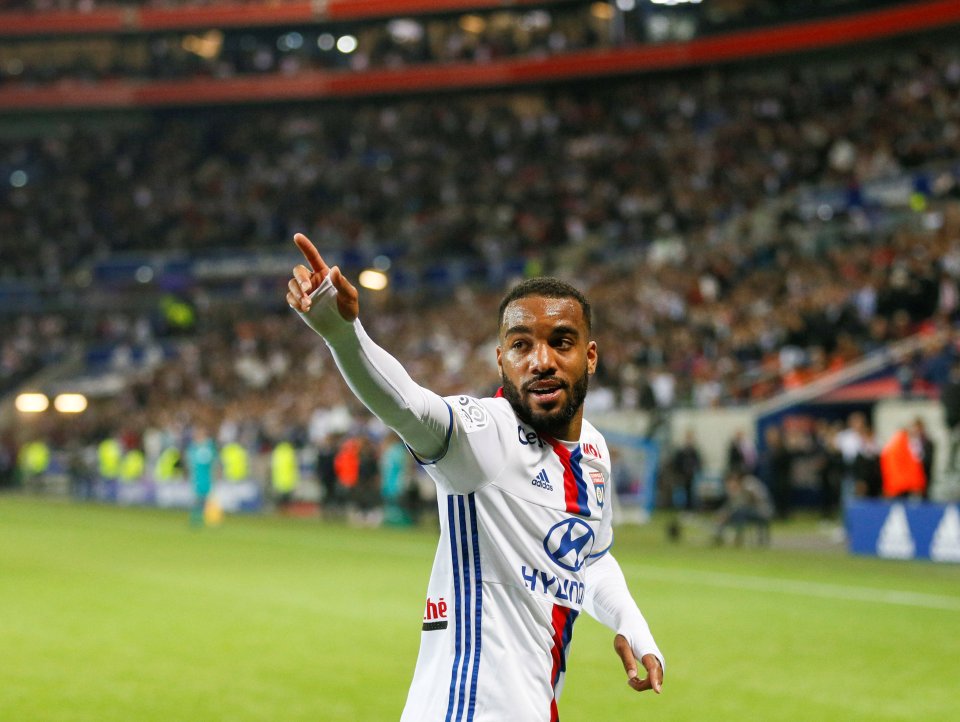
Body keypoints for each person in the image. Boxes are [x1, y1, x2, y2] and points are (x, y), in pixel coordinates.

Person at [286, 234, 663, 721]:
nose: (541, 360)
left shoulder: (592, 453)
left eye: (560, 342)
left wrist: (632, 623)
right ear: (500, 360)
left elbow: (589, 556)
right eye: (521, 345)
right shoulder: (486, 437)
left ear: (589, 357)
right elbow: (409, 406)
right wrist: (343, 335)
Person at [186, 425, 217, 527]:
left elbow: (214, 463)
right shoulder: (193, 447)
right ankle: (196, 519)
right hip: (197, 477)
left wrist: (215, 475)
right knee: (198, 499)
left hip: (207, 477)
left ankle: (207, 519)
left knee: (205, 499)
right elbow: (190, 463)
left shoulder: (209, 446)